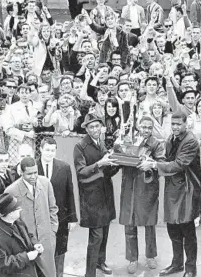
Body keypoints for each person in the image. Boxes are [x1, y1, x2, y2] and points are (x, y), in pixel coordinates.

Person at [138, 111, 201, 277]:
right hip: (173, 189)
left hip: (187, 189)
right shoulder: (171, 139)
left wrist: (153, 164)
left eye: (178, 124)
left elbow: (179, 165)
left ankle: (190, 268)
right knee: (173, 229)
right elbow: (165, 160)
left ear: (186, 124)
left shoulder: (190, 141)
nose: (175, 127)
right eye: (173, 124)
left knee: (187, 230)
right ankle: (177, 263)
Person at [73, 113, 119, 277]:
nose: (95, 129)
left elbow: (108, 172)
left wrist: (118, 161)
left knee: (105, 232)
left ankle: (101, 262)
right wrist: (100, 163)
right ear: (86, 129)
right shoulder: (80, 146)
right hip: (92, 198)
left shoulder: (101, 143)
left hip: (105, 195)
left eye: (97, 126)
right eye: (91, 127)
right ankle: (89, 273)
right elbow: (81, 172)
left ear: (101, 127)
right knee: (96, 236)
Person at [121, 116, 166, 274]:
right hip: (130, 187)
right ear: (138, 126)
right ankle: (132, 258)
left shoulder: (156, 144)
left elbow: (161, 163)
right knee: (130, 224)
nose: (146, 130)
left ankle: (151, 256)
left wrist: (150, 163)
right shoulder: (130, 139)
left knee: (149, 223)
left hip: (147, 188)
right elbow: (119, 154)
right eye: (143, 127)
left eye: (149, 127)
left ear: (152, 128)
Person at [5, 156, 59, 277]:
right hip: (25, 245)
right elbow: (9, 221)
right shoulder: (11, 191)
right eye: (29, 174)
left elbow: (53, 208)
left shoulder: (45, 183)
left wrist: (52, 232)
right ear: (21, 172)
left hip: (46, 240)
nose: (33, 176)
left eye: (35, 172)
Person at [37, 137, 78, 277]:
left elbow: (69, 193)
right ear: (41, 149)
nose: (49, 153)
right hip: (40, 216)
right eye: (47, 150)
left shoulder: (64, 167)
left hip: (60, 217)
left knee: (60, 250)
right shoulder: (33, 167)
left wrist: (72, 219)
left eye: (52, 150)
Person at [0, 192, 44, 277]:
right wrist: (26, 257)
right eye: (18, 208)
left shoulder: (17, 220)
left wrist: (35, 244)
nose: (21, 209)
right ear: (10, 213)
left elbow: (29, 235)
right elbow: (3, 265)